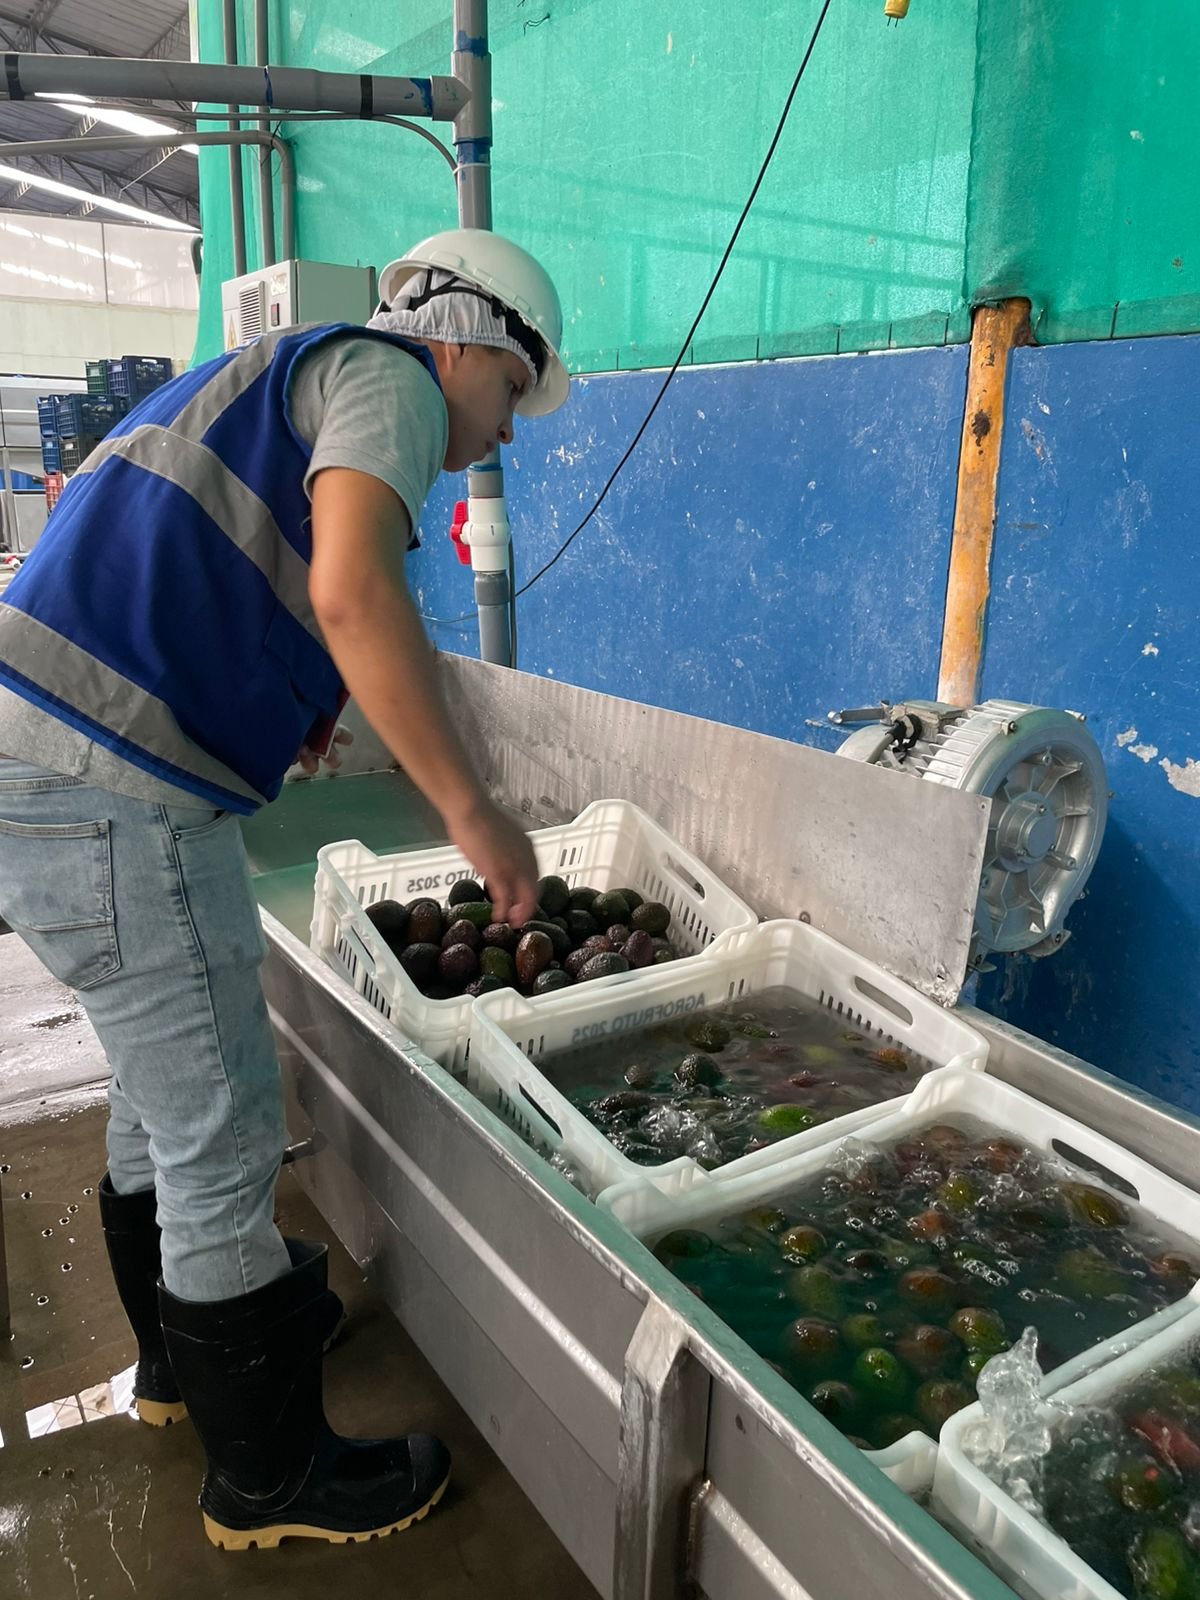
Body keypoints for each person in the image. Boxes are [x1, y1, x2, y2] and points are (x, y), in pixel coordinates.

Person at [0, 228, 569, 1550]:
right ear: (471, 341)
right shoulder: (396, 378)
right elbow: (355, 588)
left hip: (41, 764)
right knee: (222, 1137)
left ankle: (178, 1369)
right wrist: (472, 810)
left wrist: (298, 709)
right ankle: (267, 1479)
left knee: (160, 1097)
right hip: (113, 797)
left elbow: (260, 573)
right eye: (511, 398)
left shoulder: (277, 366)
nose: (502, 434)